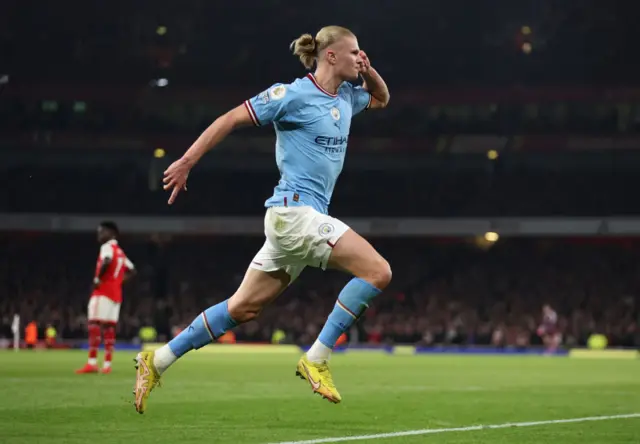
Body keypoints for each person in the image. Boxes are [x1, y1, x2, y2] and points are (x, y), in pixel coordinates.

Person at [133, 25, 391, 414]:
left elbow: (382, 98)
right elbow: (229, 119)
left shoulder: (347, 98)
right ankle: (318, 358)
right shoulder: (291, 95)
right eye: (355, 52)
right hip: (293, 213)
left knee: (243, 309)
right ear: (331, 56)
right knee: (378, 272)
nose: (361, 57)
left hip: (302, 220)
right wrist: (187, 161)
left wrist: (369, 71)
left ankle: (159, 360)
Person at [76, 221, 136, 374]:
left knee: (94, 324)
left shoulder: (107, 247)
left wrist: (98, 279)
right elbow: (132, 270)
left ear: (111, 233)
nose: (99, 235)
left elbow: (107, 260)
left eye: (102, 232)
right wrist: (118, 281)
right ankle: (107, 365)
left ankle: (92, 362)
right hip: (116, 295)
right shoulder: (121, 252)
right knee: (109, 328)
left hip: (102, 292)